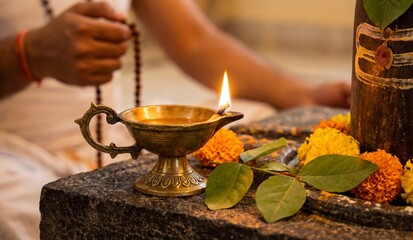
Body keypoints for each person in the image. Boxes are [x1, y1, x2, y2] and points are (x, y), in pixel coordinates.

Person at [0, 0, 351, 239]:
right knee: (15, 210)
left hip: (117, 144)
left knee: (259, 126)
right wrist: (27, 55)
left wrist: (303, 96)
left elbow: (194, 40)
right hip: (13, 152)